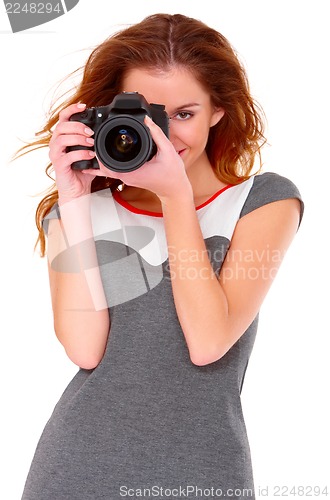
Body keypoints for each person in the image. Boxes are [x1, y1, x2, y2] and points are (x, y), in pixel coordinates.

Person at [20, 13, 303, 500]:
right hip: (74, 473)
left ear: (219, 110)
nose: (167, 134)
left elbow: (208, 341)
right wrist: (73, 201)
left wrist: (176, 199)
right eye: (151, 114)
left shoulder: (263, 202)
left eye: (186, 114)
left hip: (206, 474)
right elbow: (86, 351)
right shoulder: (79, 211)